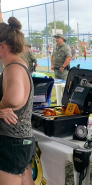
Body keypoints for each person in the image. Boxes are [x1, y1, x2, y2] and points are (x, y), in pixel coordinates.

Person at [0, 17, 36, 185]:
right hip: (22, 140)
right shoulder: (20, 64)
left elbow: (14, 99)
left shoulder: (12, 68)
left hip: (11, 142)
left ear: (2, 47)